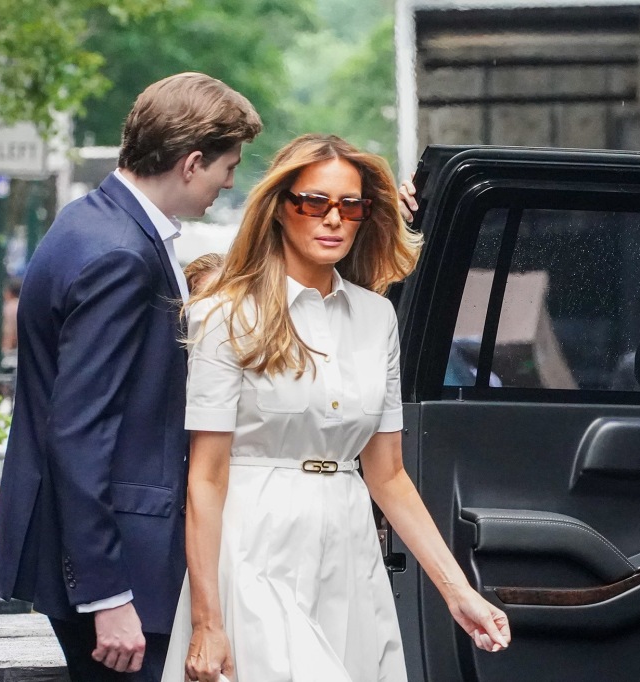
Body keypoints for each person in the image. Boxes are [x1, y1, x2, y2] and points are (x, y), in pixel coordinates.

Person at [163, 134, 510, 682]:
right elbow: (204, 479)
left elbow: (389, 475)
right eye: (313, 202)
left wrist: (458, 591)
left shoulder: (376, 319)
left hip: (349, 547)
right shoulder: (226, 314)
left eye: (351, 205)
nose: (333, 219)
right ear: (280, 208)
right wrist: (208, 620)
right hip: (253, 545)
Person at [0, 72, 263, 682]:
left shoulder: (88, 221)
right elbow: (80, 430)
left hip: (104, 549)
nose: (230, 183)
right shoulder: (120, 253)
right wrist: (107, 595)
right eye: (228, 166)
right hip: (118, 565)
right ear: (193, 162)